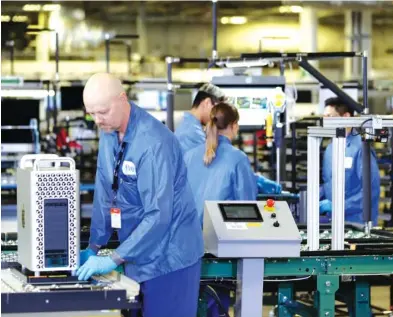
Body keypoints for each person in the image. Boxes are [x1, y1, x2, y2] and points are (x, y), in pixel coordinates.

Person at [76, 73, 204, 317]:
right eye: (91, 114)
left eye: (102, 112)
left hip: (169, 258)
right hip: (135, 254)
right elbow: (105, 191)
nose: (97, 120)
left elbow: (159, 215)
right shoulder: (108, 134)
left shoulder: (154, 143)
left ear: (122, 99)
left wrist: (115, 257)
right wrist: (94, 245)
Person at [184, 102, 257, 317]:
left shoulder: (188, 156)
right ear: (234, 126)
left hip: (188, 245)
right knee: (217, 301)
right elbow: (248, 208)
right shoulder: (238, 159)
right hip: (222, 248)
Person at [175, 83, 282, 195]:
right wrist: (257, 181)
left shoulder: (191, 129)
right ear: (207, 103)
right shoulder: (191, 134)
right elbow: (218, 167)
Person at [320, 97, 380, 225]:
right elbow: (328, 183)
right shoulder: (330, 148)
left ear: (346, 116)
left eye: (330, 116)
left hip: (357, 222)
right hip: (334, 221)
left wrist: (338, 206)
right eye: (324, 116)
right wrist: (308, 197)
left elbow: (370, 191)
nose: (325, 121)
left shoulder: (361, 148)